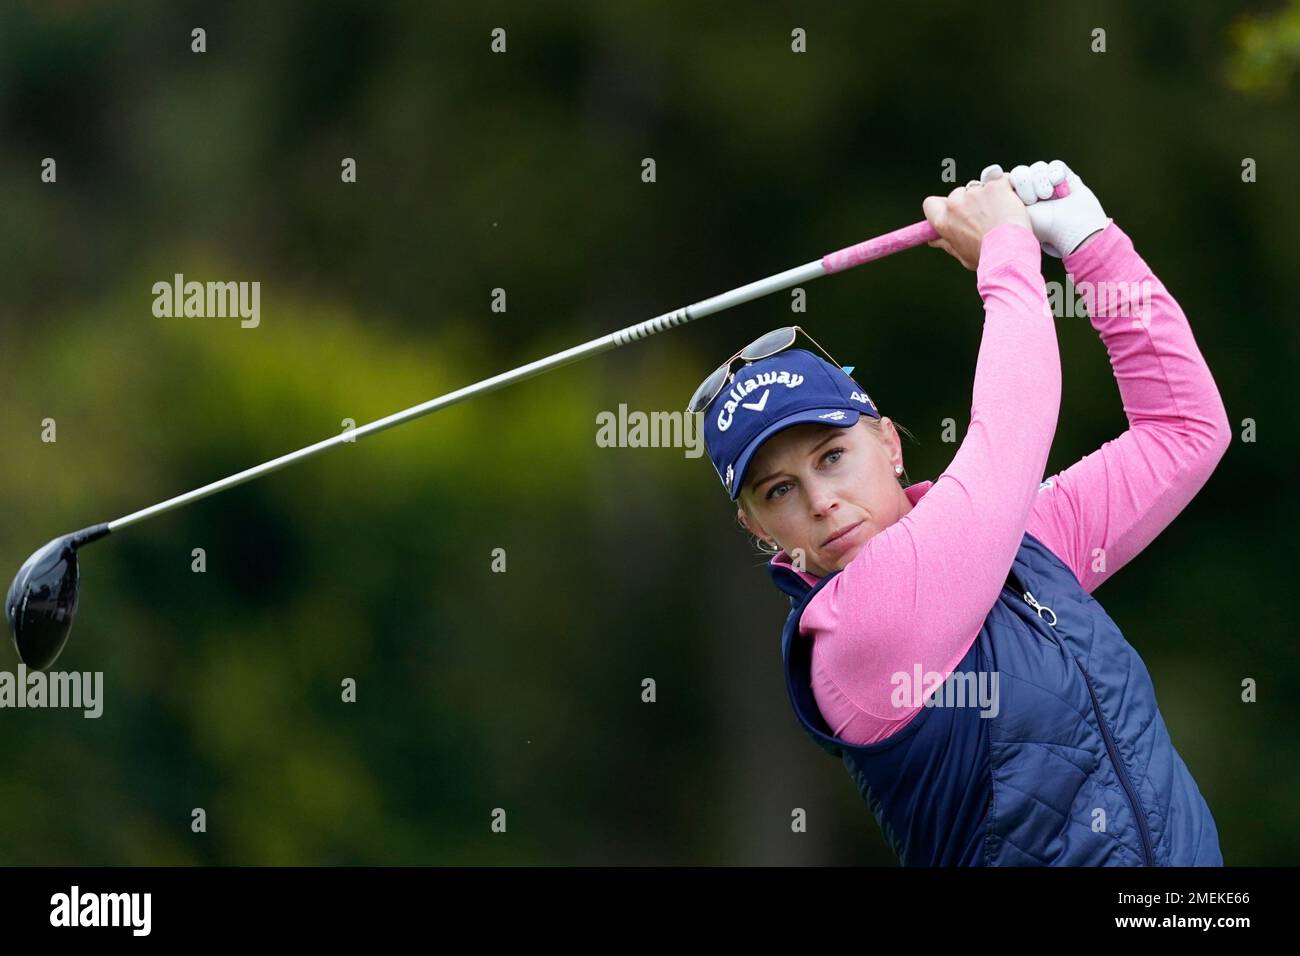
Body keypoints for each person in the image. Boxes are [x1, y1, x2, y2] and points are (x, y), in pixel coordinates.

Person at [690, 161, 1230, 865]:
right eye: (779, 491)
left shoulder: (1019, 542)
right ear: (759, 531)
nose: (820, 501)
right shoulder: (856, 629)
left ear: (887, 442)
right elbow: (1012, 429)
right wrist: (1007, 251)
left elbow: (1183, 428)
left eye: (830, 456)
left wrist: (1093, 244)